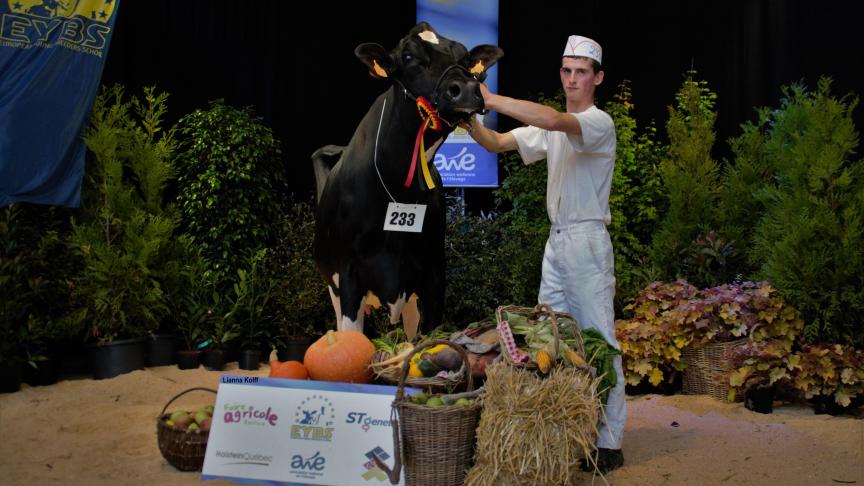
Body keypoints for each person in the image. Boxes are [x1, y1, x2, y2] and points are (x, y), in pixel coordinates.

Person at [462, 35, 625, 473]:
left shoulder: (597, 122)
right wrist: (466, 117)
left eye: (581, 73)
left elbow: (554, 121)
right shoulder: (550, 127)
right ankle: (560, 430)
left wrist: (491, 97)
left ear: (598, 78)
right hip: (557, 242)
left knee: (598, 337)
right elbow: (496, 143)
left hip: (588, 242)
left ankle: (610, 440)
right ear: (561, 74)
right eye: (567, 71)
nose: (573, 79)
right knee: (547, 337)